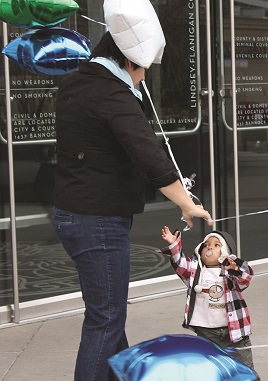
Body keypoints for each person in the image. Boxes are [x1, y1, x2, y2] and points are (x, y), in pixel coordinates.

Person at [51, 31, 212, 381]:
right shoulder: (112, 91)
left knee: (107, 317)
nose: (143, 78)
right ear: (129, 60)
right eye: (143, 70)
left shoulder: (74, 84)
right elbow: (148, 154)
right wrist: (187, 205)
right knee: (105, 320)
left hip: (72, 212)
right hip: (98, 219)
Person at [159, 227, 259, 377]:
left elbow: (246, 277)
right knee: (209, 372)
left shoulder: (229, 273)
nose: (210, 247)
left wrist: (235, 267)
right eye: (206, 244)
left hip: (235, 334)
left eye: (216, 245)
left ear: (225, 252)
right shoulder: (195, 271)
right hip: (206, 333)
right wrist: (174, 245)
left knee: (244, 372)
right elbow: (180, 263)